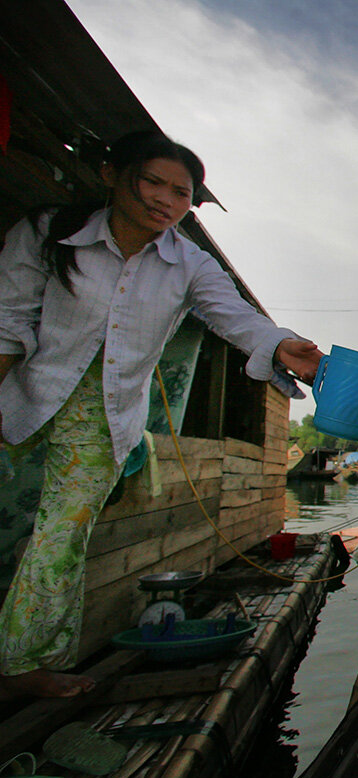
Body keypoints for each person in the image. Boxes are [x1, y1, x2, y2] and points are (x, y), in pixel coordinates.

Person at [0, 131, 323, 697]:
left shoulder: (187, 262)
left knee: (61, 536)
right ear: (111, 174)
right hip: (21, 392)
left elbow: (236, 317)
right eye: (153, 182)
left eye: (181, 193)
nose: (166, 201)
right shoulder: (51, 233)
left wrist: (280, 346)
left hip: (101, 416)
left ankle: (23, 668)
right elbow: (8, 319)